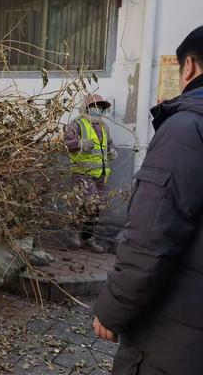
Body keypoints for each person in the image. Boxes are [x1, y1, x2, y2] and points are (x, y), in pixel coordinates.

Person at [93, 26, 203, 375]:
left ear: (188, 68)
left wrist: (114, 308)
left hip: (175, 335)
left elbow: (153, 234)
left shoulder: (186, 129)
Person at [64, 94, 117, 253]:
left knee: (95, 207)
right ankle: (71, 231)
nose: (98, 110)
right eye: (95, 107)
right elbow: (66, 144)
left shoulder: (103, 127)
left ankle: (88, 238)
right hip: (82, 172)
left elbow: (109, 144)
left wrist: (112, 151)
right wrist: (79, 143)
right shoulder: (77, 124)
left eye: (101, 108)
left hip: (100, 174)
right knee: (87, 203)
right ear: (87, 108)